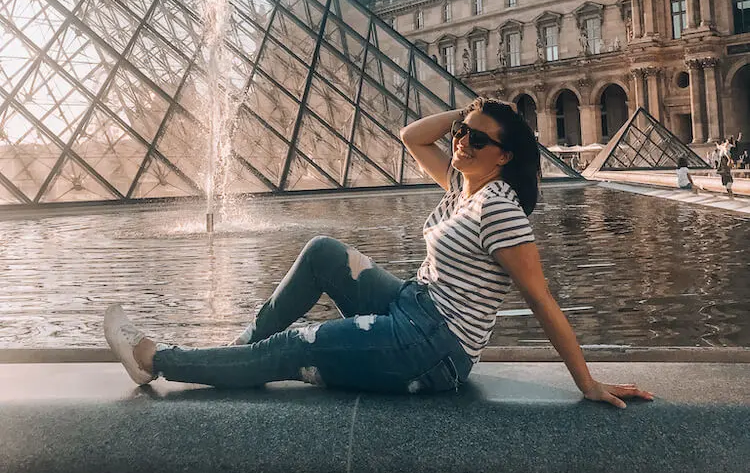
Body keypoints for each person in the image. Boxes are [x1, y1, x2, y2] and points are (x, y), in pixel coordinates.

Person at [103, 98, 654, 410]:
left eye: (476, 140)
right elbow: (413, 137)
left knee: (296, 345)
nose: (461, 143)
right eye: (463, 135)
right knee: (323, 251)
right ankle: (240, 353)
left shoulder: (500, 208)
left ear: (504, 156)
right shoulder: (463, 188)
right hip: (414, 305)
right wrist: (466, 114)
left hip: (432, 346)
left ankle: (157, 358)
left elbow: (541, 300)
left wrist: (587, 382)